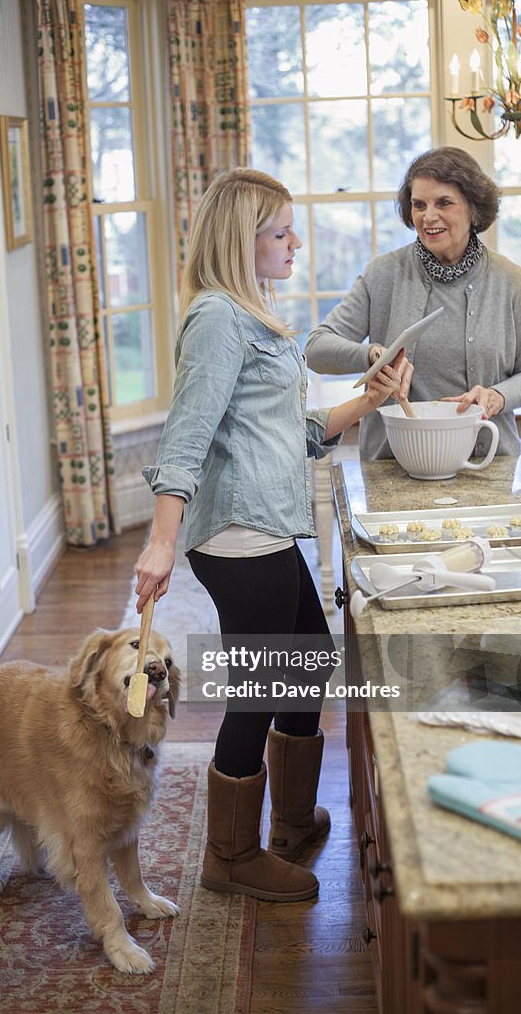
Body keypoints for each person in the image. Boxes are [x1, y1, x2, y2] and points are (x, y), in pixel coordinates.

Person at [134, 168, 405, 903]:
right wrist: (160, 540)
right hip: (236, 534)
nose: (295, 243)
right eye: (280, 232)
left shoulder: (254, 311)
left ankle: (287, 819)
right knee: (257, 690)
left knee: (308, 661)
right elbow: (184, 437)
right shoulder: (219, 318)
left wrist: (367, 398)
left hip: (267, 524)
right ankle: (230, 855)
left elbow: (292, 433)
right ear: (241, 240)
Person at [305, 146, 521, 460]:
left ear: (474, 209)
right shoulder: (383, 274)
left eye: (444, 203)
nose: (427, 216)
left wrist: (496, 397)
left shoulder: (511, 280)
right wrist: (373, 356)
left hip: (487, 464)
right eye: (418, 205)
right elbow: (315, 349)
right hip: (393, 465)